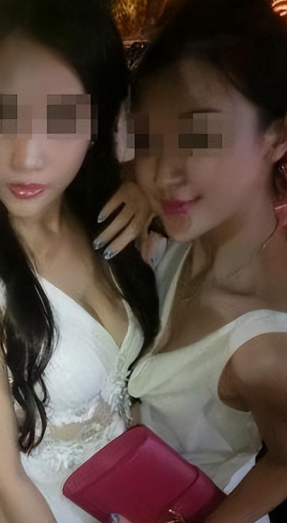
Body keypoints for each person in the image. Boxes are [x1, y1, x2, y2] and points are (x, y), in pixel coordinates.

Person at [0, 0, 159, 521]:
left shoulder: (105, 219)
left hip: (135, 496)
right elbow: (2, 476)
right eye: (0, 113)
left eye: (60, 117)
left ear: (97, 121)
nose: (27, 156)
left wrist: (145, 193)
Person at [127, 0, 287, 522]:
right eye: (148, 139)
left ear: (276, 137)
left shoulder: (263, 341)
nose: (162, 172)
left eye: (198, 135)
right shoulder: (186, 235)